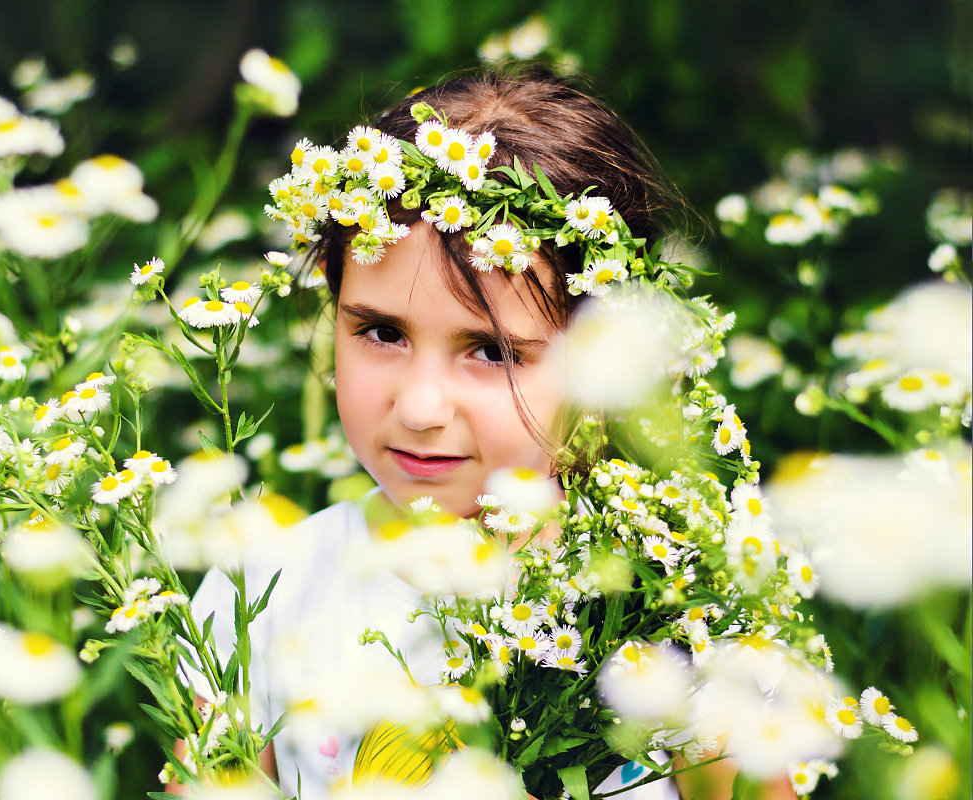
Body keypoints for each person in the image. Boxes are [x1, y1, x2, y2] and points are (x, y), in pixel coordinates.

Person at [184, 69, 795, 800]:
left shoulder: (679, 610)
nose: (420, 407)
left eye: (493, 351)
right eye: (381, 332)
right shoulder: (262, 594)